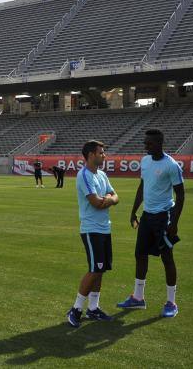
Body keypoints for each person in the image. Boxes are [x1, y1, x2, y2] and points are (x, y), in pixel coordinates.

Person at [118, 129, 185, 318]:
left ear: (159, 143)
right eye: (145, 143)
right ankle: (138, 298)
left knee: (167, 257)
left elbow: (180, 194)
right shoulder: (145, 161)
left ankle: (171, 302)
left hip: (164, 217)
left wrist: (175, 223)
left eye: (149, 143)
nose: (145, 146)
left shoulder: (171, 165)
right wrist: (133, 211)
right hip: (147, 216)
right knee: (140, 254)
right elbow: (142, 186)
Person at [66, 140, 119, 328]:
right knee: (94, 269)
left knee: (101, 269)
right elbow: (96, 203)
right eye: (101, 153)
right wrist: (108, 200)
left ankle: (93, 308)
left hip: (105, 228)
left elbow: (116, 196)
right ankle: (76, 309)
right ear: (90, 155)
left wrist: (109, 200)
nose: (104, 156)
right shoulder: (84, 175)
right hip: (91, 229)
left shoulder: (102, 175)